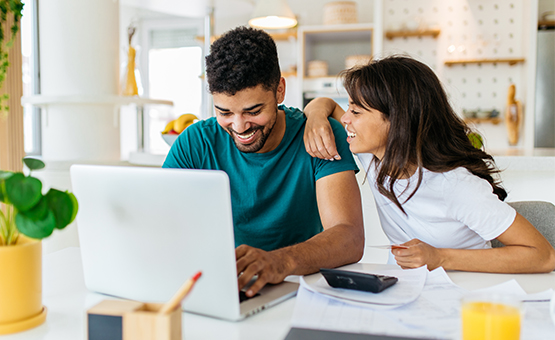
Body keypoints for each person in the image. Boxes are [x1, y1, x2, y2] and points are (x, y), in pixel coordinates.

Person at [303, 55, 555, 273]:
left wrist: (440, 257)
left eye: (356, 112)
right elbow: (325, 104)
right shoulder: (374, 156)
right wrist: (314, 114)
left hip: (463, 293)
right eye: (349, 108)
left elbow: (542, 256)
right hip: (408, 291)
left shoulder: (454, 184)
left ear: (398, 121)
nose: (345, 119)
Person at [163, 26, 364, 297]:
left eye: (253, 111)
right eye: (224, 112)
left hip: (299, 289)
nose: (239, 126)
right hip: (219, 288)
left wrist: (278, 262)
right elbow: (162, 224)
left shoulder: (320, 135)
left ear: (279, 91)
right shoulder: (195, 143)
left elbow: (349, 237)